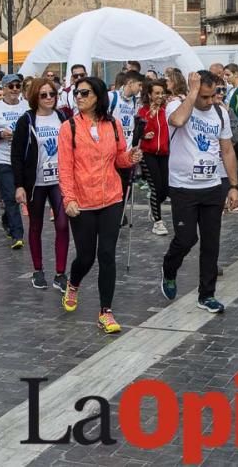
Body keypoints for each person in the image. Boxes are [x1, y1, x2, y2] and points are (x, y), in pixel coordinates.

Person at [58, 76, 142, 334]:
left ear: (98, 96)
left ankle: (106, 311)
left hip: (111, 198)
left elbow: (119, 157)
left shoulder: (113, 124)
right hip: (82, 201)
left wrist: (130, 157)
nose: (79, 97)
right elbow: (65, 167)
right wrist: (68, 198)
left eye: (85, 93)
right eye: (77, 93)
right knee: (86, 255)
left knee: (106, 254)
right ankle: (73, 282)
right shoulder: (69, 128)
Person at [159, 71, 238, 314]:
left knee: (211, 243)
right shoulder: (176, 104)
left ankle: (207, 294)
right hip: (183, 186)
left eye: (214, 95)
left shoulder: (220, 113)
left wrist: (234, 186)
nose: (210, 102)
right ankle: (169, 267)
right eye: (205, 97)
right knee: (186, 239)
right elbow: (177, 121)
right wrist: (193, 93)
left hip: (212, 186)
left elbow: (227, 150)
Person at [14, 78, 70, 290]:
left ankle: (60, 273)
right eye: (43, 94)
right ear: (34, 97)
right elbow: (17, 154)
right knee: (36, 225)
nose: (48, 98)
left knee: (63, 224)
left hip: (59, 179)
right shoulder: (26, 120)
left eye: (52, 94)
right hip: (35, 181)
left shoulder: (62, 117)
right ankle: (38, 270)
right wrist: (19, 185)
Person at [0, 74, 30, 248]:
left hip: (24, 158)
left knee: (26, 195)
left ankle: (7, 218)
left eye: (18, 86)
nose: (15, 90)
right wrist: (1, 134)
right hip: (4, 158)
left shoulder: (27, 106)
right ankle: (18, 235)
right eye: (11, 86)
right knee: (10, 196)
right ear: (4, 88)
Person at [139, 79, 171, 236]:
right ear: (150, 95)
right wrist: (145, 133)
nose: (160, 96)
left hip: (164, 154)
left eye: (162, 93)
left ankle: (154, 207)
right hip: (148, 153)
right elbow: (139, 132)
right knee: (156, 187)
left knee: (164, 189)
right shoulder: (143, 111)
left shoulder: (167, 110)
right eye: (156, 93)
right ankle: (158, 222)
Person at [108, 70, 144, 201]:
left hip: (127, 152)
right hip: (112, 152)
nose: (140, 89)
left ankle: (120, 215)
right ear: (130, 83)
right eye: (139, 85)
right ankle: (116, 217)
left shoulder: (134, 101)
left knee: (126, 189)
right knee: (114, 189)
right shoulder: (112, 97)